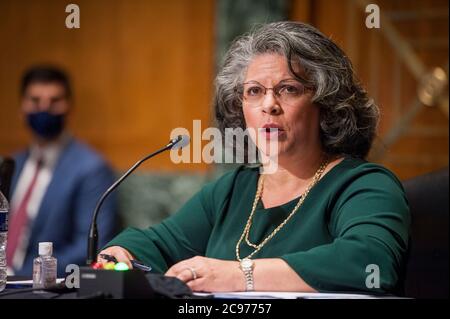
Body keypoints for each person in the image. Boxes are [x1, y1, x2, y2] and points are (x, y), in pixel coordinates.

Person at [99, 22, 410, 295]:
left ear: (326, 104)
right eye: (254, 91)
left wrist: (238, 275)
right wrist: (118, 255)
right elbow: (155, 243)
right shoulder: (233, 190)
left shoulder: (364, 185)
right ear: (240, 107)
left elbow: (371, 262)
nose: (269, 105)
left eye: (288, 89)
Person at [8, 66, 118, 276]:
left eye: (54, 101)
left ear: (70, 107)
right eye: (35, 100)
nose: (44, 108)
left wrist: (19, 274)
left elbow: (89, 248)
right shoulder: (13, 164)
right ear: (22, 107)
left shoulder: (91, 168)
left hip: (36, 284)